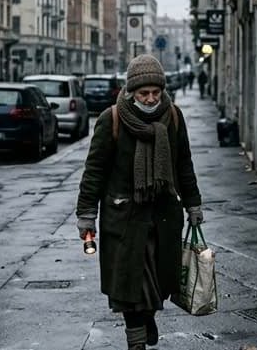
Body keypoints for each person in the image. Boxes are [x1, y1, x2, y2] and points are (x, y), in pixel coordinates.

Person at [76, 55, 204, 350]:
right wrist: (86, 214)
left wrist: (193, 204)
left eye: (155, 93)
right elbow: (94, 170)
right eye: (144, 93)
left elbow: (183, 163)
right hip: (123, 220)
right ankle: (136, 342)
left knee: (157, 283)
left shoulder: (173, 116)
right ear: (131, 92)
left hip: (162, 218)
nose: (150, 99)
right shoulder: (112, 119)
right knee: (128, 287)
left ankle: (148, 317)